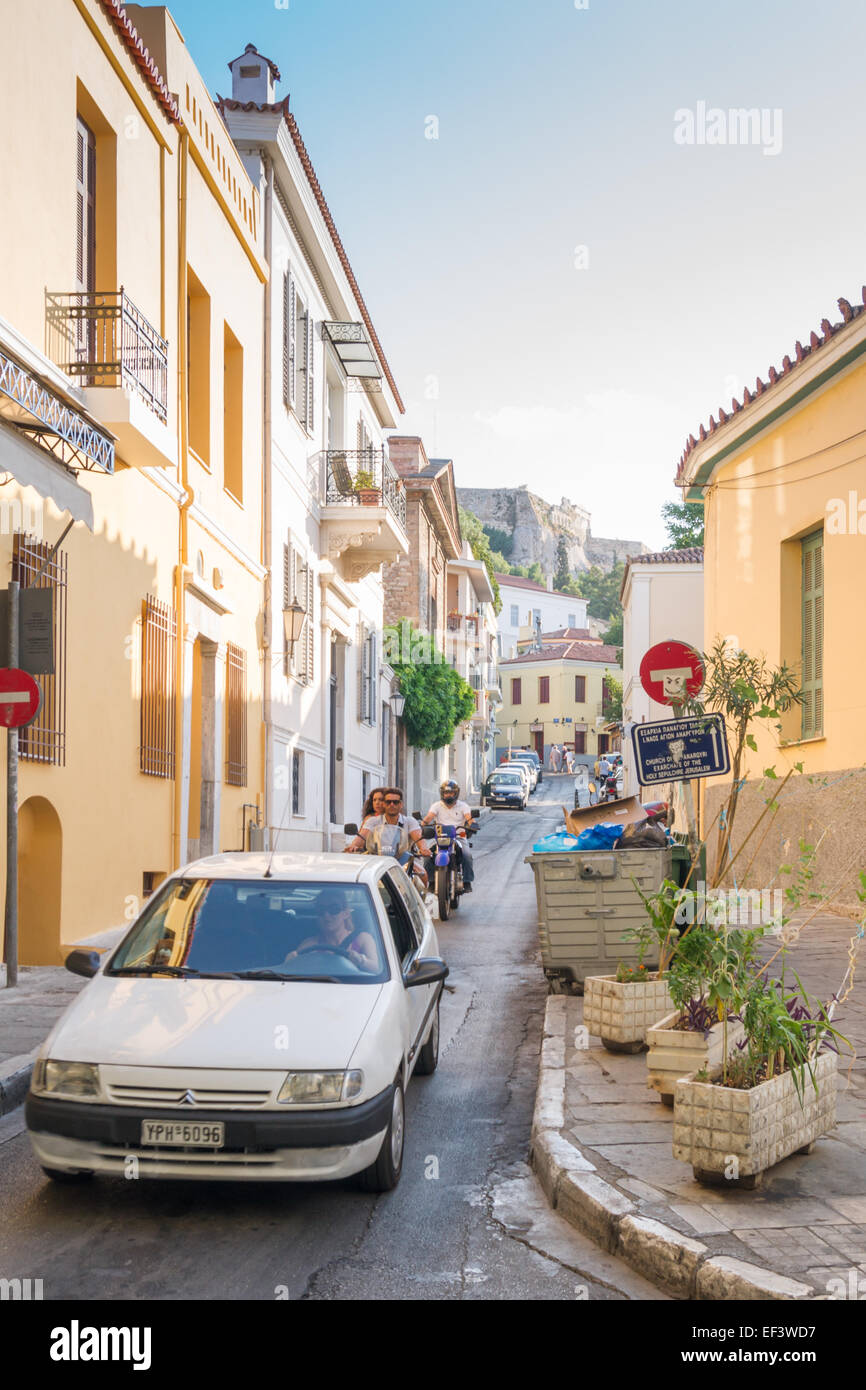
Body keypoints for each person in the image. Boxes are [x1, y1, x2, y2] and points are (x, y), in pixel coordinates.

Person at [283, 889, 380, 973]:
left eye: (334, 909)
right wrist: (289, 962)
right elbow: (291, 971)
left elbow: (377, 968)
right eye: (321, 910)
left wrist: (361, 961)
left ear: (346, 913)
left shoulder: (362, 938)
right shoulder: (310, 944)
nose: (326, 915)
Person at [348, 788, 432, 878]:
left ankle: (421, 892)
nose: (392, 805)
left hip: (404, 860)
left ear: (401, 804)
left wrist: (423, 848)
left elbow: (418, 837)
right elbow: (361, 837)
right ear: (384, 804)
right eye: (388, 802)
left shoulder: (409, 821)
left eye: (395, 802)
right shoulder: (373, 821)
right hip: (378, 861)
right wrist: (354, 846)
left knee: (422, 874)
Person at [421, 779, 475, 891]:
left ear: (456, 793)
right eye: (446, 793)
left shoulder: (463, 806)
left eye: (451, 793)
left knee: (467, 855)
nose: (448, 795)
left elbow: (469, 818)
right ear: (442, 793)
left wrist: (472, 824)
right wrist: (422, 824)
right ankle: (431, 881)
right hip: (440, 837)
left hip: (458, 836)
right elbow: (429, 817)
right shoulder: (436, 806)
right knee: (427, 856)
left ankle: (467, 881)